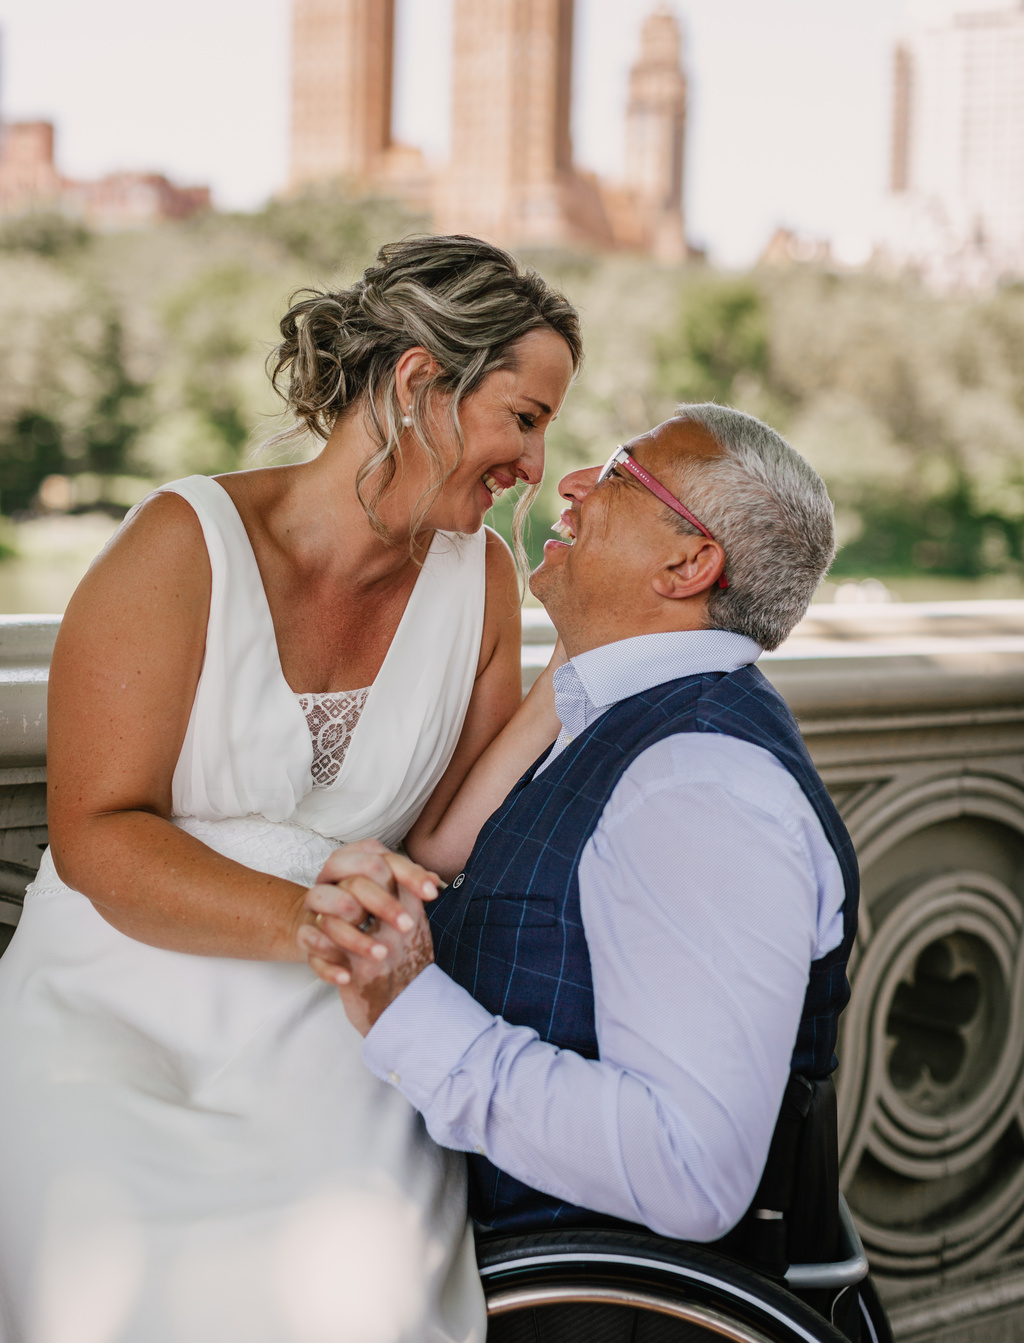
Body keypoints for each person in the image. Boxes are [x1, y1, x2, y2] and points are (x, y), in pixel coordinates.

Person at [0, 235, 581, 1343]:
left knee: (359, 1292)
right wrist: (308, 919)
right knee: (107, 1286)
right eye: (524, 416)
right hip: (113, 996)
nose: (535, 465)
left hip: (338, 1020)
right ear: (420, 384)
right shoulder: (183, 545)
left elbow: (446, 839)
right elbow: (97, 836)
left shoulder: (483, 583)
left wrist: (572, 671)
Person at [302, 404, 858, 1248]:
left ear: (688, 562)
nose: (567, 480)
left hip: (572, 1300)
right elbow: (447, 848)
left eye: (617, 473)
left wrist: (405, 1007)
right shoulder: (626, 719)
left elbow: (690, 1170)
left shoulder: (698, 785)